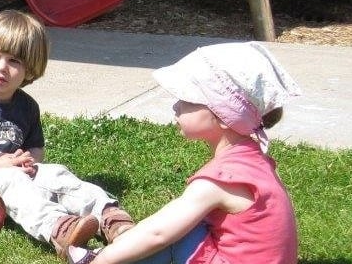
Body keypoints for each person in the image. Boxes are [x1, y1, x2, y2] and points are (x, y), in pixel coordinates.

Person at [67, 41, 302, 264]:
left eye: (187, 100)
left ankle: (101, 257)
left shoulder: (221, 179)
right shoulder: (254, 160)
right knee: (188, 224)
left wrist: (105, 259)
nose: (176, 106)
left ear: (223, 116)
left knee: (177, 233)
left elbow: (158, 233)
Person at [0, 10, 136, 258]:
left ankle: (110, 217)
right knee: (10, 179)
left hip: (10, 174)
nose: (2, 67)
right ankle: (59, 229)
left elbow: (36, 149)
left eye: (14, 61)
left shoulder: (26, 106)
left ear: (30, 69)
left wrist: (28, 162)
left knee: (55, 172)